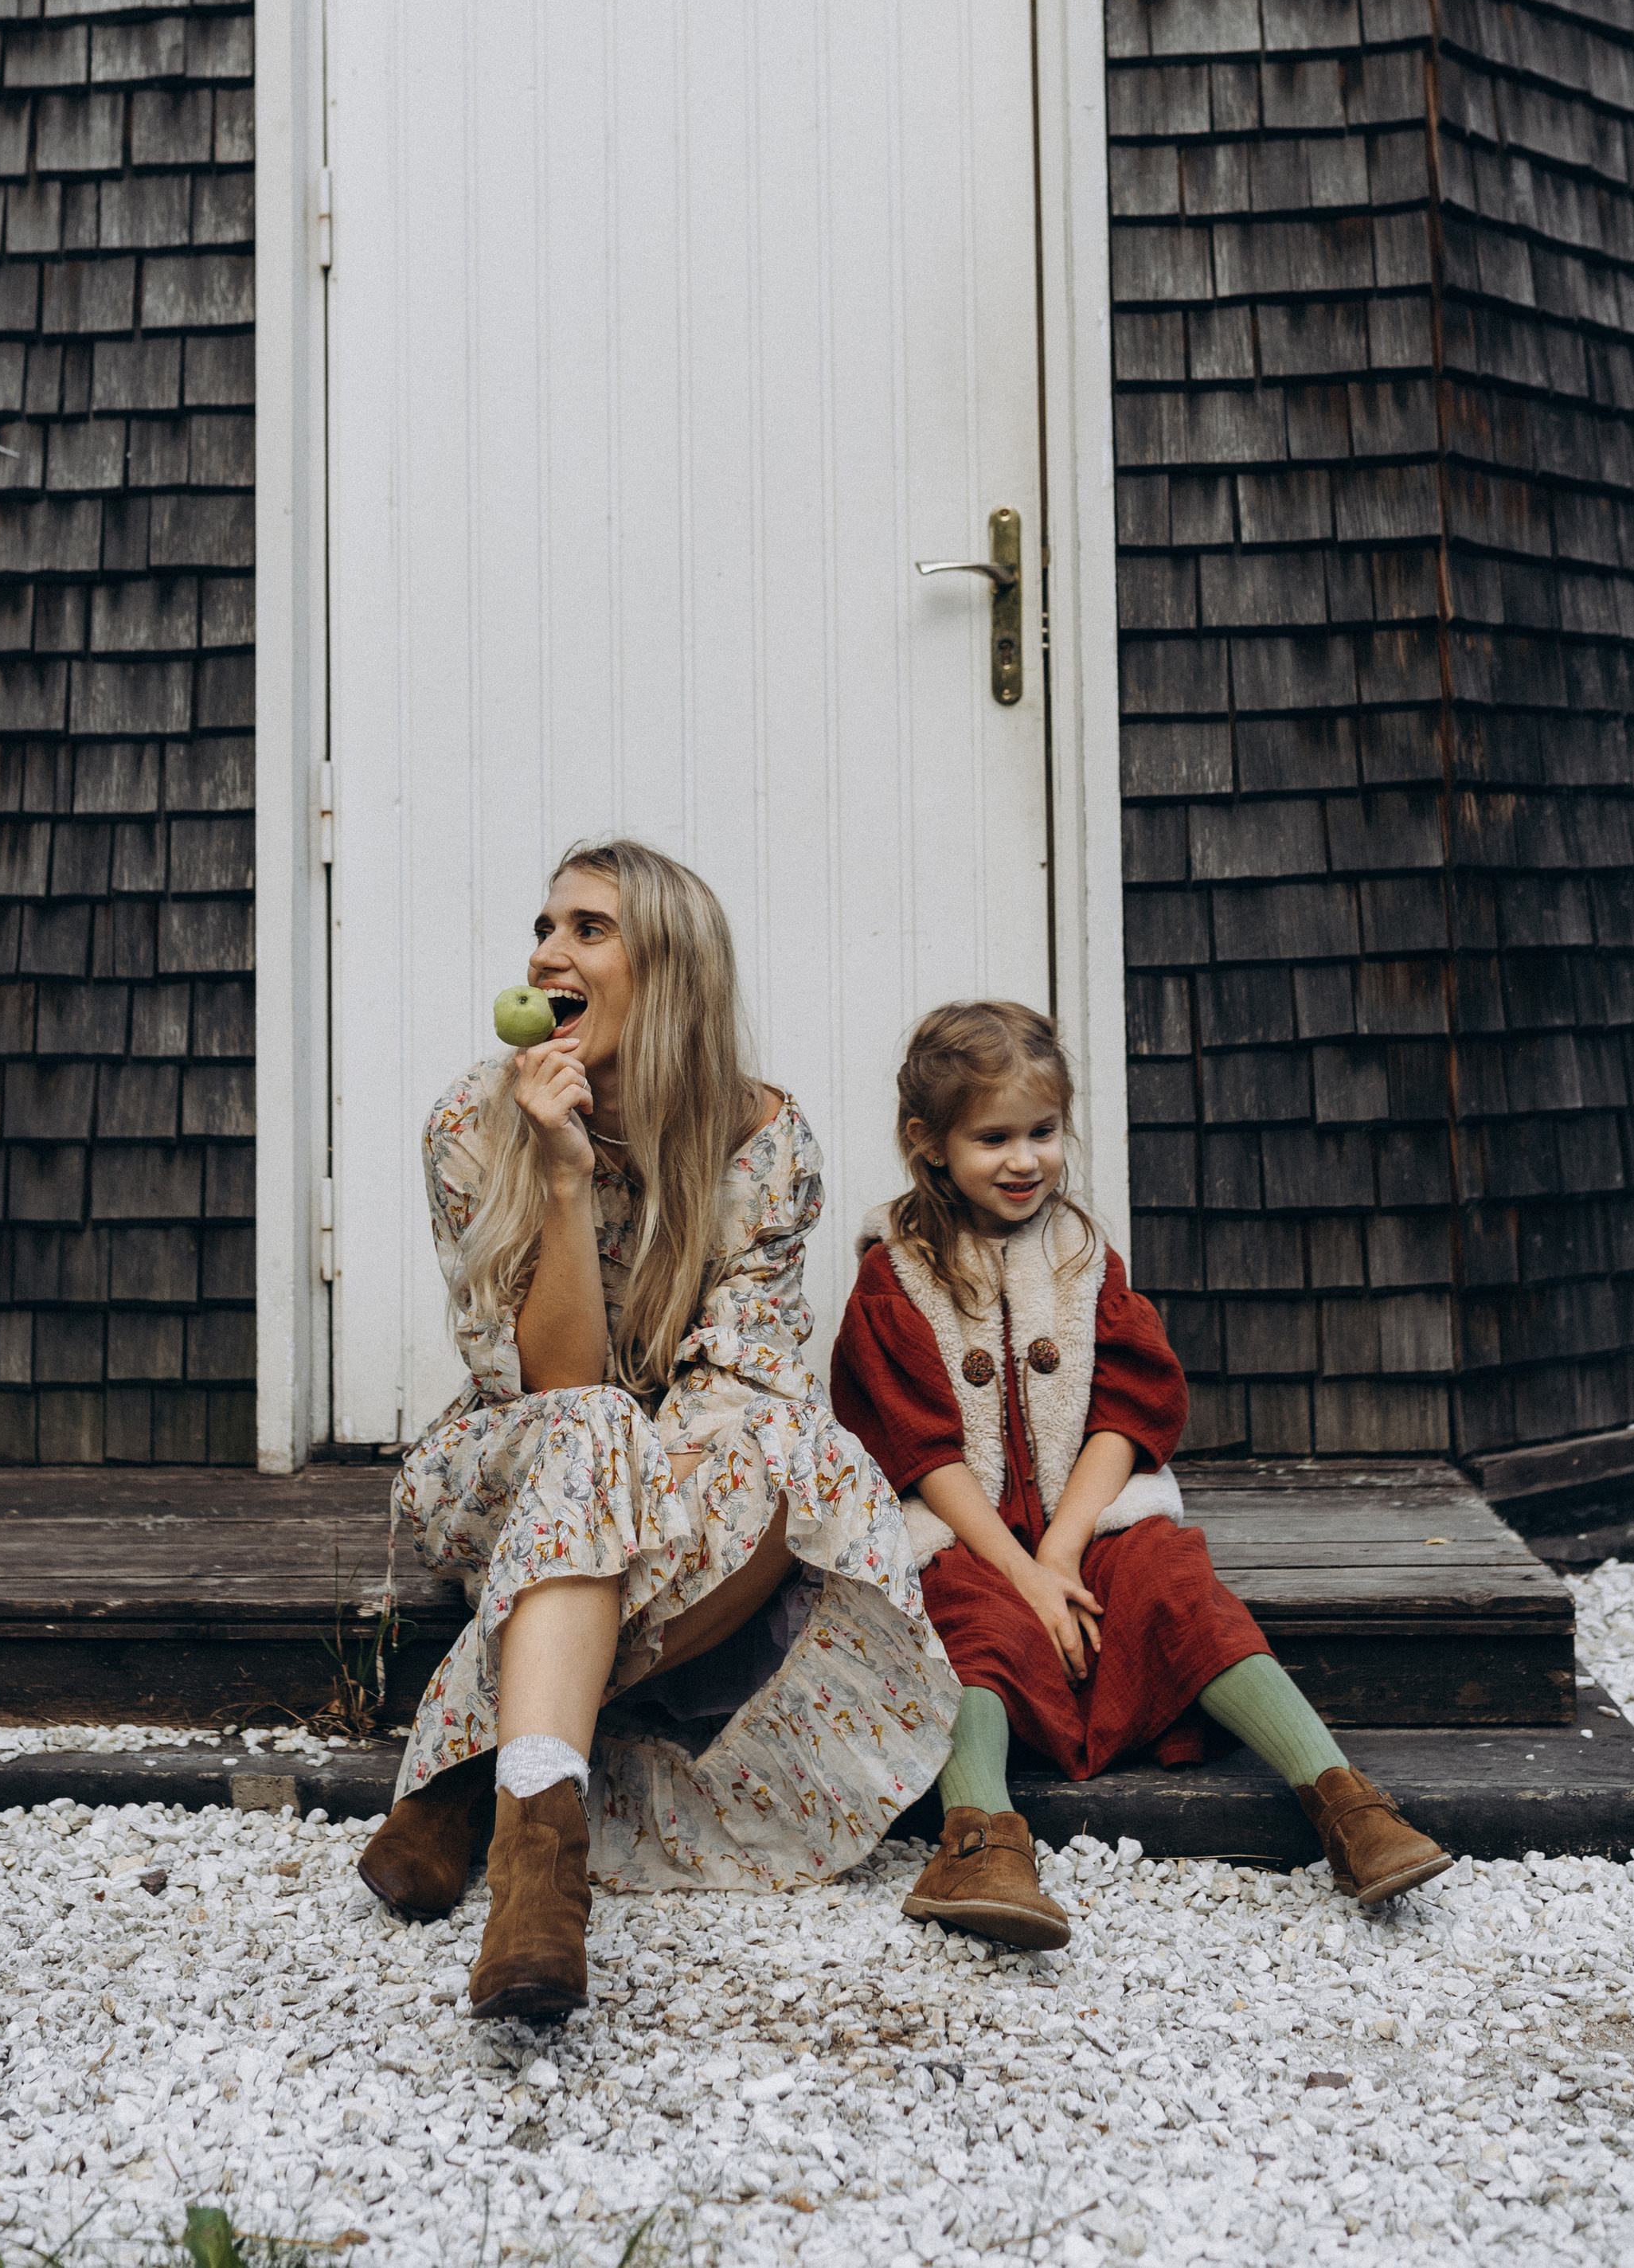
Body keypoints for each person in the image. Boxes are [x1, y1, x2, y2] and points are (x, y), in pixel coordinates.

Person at [358, 838, 959, 2020]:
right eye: (544, 927)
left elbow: (748, 1388)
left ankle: (490, 1785)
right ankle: (538, 1872)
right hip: (508, 1463)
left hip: (671, 1489)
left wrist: (656, 1485)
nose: (545, 952)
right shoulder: (473, 1128)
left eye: (588, 928)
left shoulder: (761, 1142)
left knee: (808, 1460)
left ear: (671, 966)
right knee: (590, 1426)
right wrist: (566, 1175)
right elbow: (552, 1381)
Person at [831, 1000, 1454, 1951]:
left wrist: (1068, 1547)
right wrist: (1027, 1574)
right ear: (927, 1141)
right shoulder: (898, 1277)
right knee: (964, 1617)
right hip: (969, 1529)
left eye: (1042, 1132)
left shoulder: (1082, 1256)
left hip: (1084, 1521)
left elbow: (1127, 1410)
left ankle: (1343, 1801)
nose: (1023, 1159)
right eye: (991, 1137)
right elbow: (922, 1453)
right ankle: (979, 1842)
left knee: (1172, 1581)